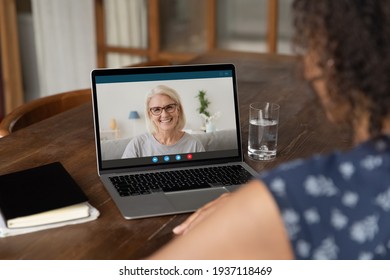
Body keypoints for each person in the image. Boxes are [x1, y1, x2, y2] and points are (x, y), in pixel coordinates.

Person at [149, 0, 390, 260]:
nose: (306, 68)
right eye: (156, 109)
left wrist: (255, 207)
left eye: (311, 46)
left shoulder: (298, 195)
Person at [122, 85, 205, 158]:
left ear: (178, 110)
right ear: (150, 114)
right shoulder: (137, 145)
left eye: (169, 107)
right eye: (156, 109)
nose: (164, 115)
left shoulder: (194, 145)